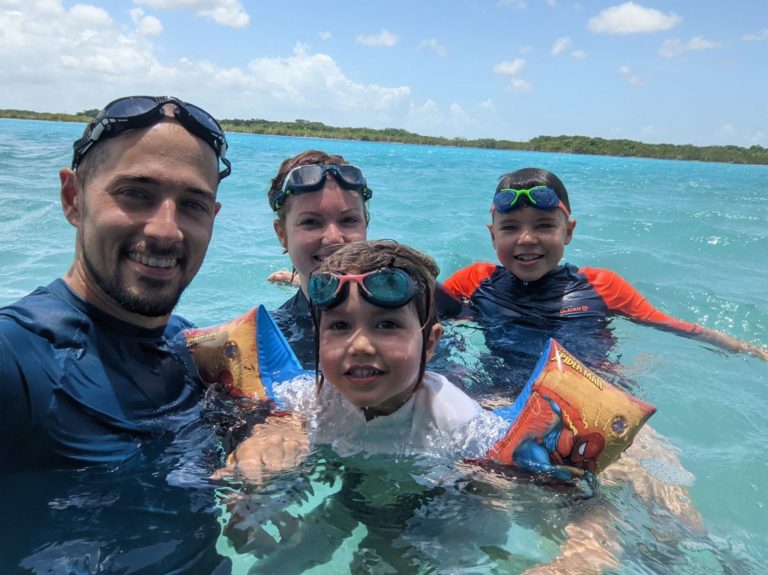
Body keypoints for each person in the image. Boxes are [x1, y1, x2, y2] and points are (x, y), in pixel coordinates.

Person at [219, 240, 703, 574]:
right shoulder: (312, 397)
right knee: (278, 562)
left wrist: (586, 550)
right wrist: (253, 477)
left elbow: (574, 493)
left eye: (387, 326)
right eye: (339, 327)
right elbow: (279, 424)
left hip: (453, 507)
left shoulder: (458, 424)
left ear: (430, 344)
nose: (359, 346)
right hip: (360, 490)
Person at [0, 96, 231, 573]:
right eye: (135, 193)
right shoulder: (19, 356)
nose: (166, 230)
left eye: (192, 204)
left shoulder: (193, 348)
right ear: (73, 198)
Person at [441, 167, 768, 363]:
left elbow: (666, 324)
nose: (526, 239)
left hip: (594, 394)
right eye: (510, 228)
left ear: (568, 232)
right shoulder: (474, 281)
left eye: (543, 225)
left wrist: (744, 348)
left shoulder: (602, 286)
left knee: (651, 469)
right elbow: (421, 310)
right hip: (499, 390)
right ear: (492, 236)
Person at [266, 150, 372, 365]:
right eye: (311, 222)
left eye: (349, 220)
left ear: (365, 225)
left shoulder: (417, 301)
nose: (334, 238)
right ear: (282, 234)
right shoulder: (273, 340)